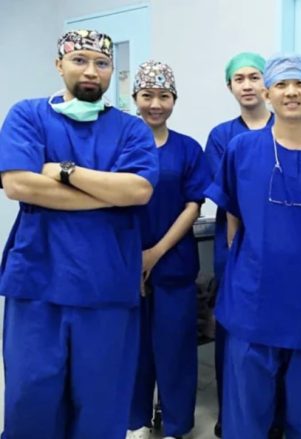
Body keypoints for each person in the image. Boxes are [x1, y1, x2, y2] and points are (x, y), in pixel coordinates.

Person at [0, 30, 158, 438]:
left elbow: (139, 190)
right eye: (79, 60)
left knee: (101, 405)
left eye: (101, 63)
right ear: (59, 65)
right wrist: (109, 194)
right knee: (30, 400)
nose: (91, 71)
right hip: (38, 284)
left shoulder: (131, 129)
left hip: (105, 286)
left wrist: (65, 171)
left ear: (111, 71)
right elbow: (18, 184)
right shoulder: (28, 115)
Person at [205, 53, 301, 439]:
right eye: (282, 85)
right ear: (268, 94)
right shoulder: (241, 149)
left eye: (300, 84)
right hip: (253, 298)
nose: (291, 92)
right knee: (246, 414)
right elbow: (232, 212)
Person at [126, 61, 211, 439]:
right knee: (134, 350)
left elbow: (194, 205)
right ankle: (137, 421)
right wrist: (133, 260)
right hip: (126, 264)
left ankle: (176, 426)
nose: (155, 104)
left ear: (174, 99)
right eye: (147, 95)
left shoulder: (187, 149)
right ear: (135, 98)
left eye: (164, 96)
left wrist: (155, 253)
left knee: (176, 350)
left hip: (173, 264)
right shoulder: (122, 146)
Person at [204, 52, 275, 438]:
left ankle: (272, 416)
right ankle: (230, 415)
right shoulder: (221, 136)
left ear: (267, 83)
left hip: (278, 244)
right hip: (233, 244)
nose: (247, 85)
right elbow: (227, 191)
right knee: (232, 330)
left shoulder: (286, 126)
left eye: (254, 77)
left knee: (272, 329)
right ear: (229, 86)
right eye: (239, 79)